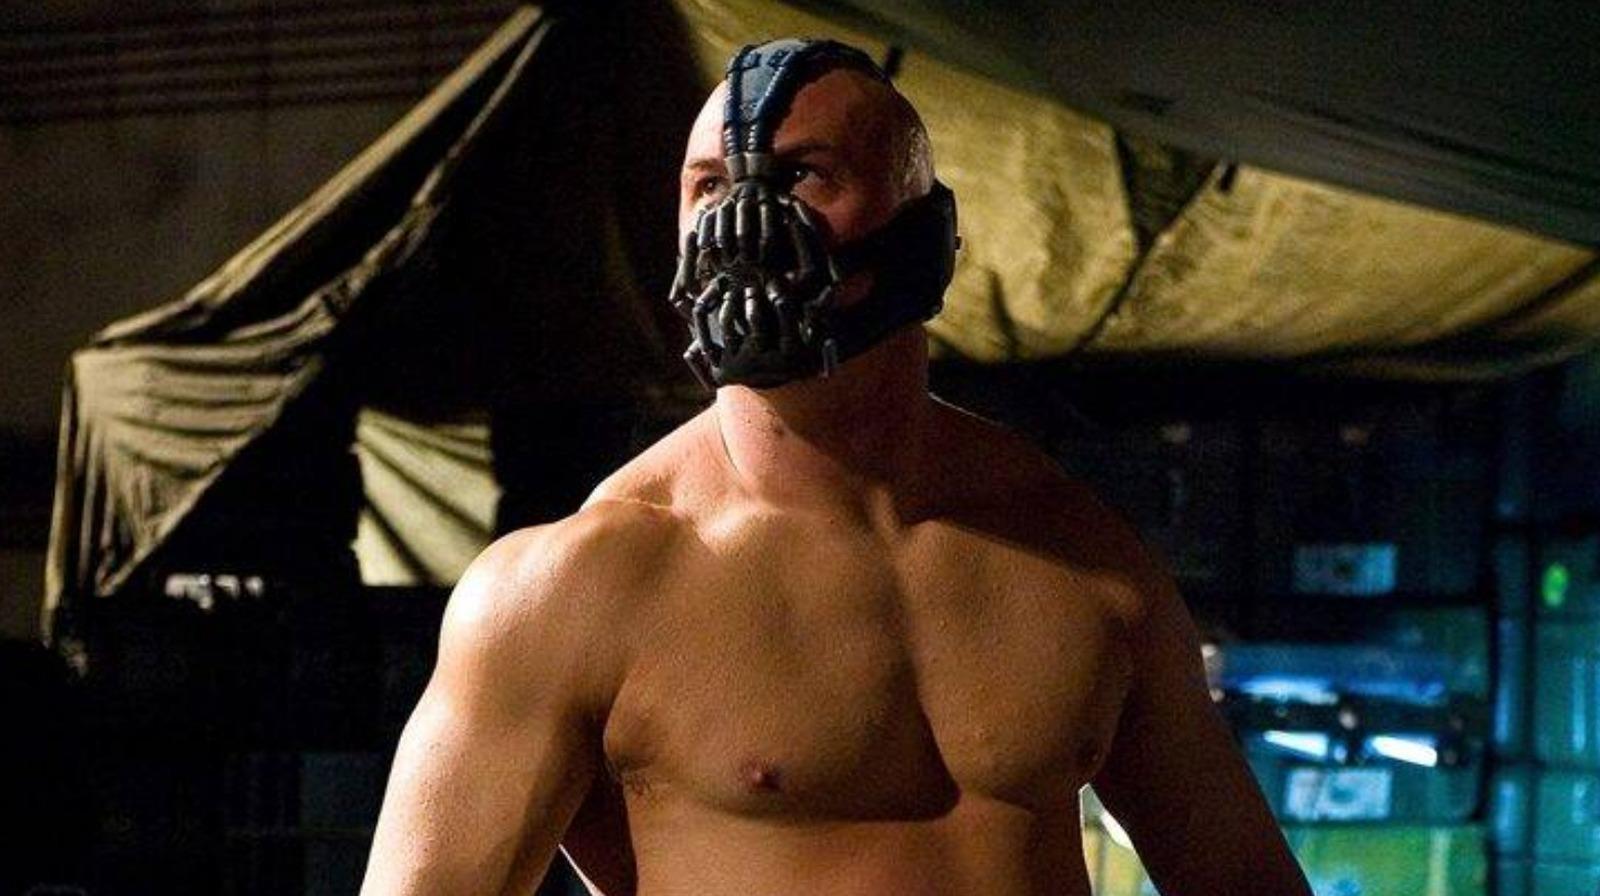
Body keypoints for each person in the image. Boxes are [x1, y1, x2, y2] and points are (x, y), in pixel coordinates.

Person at [361, 38, 1312, 896]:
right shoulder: (576, 587)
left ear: (925, 233)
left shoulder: (1078, 557)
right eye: (708, 187)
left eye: (802, 175)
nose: (745, 221)